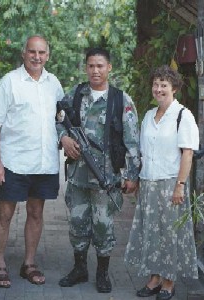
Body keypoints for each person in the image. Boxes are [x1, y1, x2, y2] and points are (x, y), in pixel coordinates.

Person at [56, 47, 140, 293]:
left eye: (100, 66)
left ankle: (102, 273)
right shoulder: (75, 94)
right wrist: (64, 139)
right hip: (78, 176)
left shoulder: (120, 100)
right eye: (91, 66)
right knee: (77, 223)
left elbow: (132, 141)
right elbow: (58, 118)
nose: (95, 70)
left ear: (109, 68)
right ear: (86, 67)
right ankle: (80, 269)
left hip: (107, 177)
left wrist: (132, 176)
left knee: (103, 226)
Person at [0, 35, 64, 288]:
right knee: (5, 213)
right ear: (24, 53)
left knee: (36, 213)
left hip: (44, 162)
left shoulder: (54, 84)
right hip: (14, 162)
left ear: (48, 55)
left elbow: (61, 120)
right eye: (32, 52)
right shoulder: (10, 81)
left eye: (41, 52)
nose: (37, 57)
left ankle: (29, 263)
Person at [124, 65, 199, 300]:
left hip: (171, 184)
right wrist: (136, 178)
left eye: (164, 85)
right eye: (156, 84)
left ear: (174, 88)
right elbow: (142, 152)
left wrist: (180, 185)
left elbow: (187, 153)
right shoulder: (148, 116)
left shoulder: (183, 115)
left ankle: (168, 282)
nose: (159, 89)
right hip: (149, 183)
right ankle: (154, 279)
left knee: (169, 234)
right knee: (150, 233)